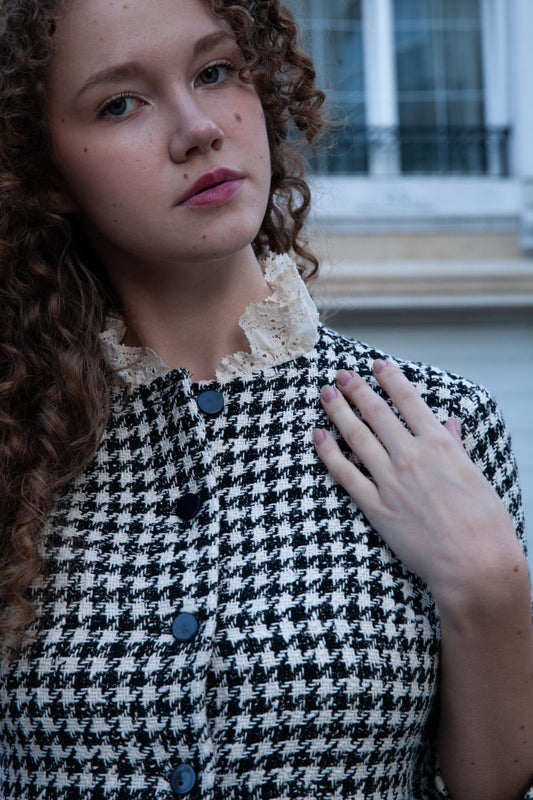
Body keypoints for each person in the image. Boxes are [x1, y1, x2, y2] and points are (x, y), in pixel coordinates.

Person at [0, 0, 531, 798]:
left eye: (215, 72)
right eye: (120, 104)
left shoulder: (433, 422)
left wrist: (490, 587)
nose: (197, 129)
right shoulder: (18, 446)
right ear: (46, 172)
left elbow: (487, 787)